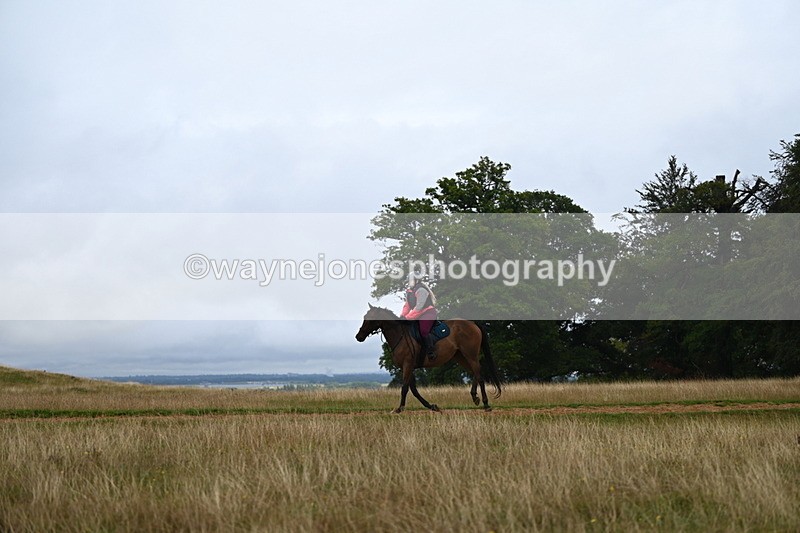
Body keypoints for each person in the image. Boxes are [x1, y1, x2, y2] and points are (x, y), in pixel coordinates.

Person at [399, 273, 438, 359]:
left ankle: (430, 351)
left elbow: (419, 307)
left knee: (423, 331)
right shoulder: (409, 292)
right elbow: (407, 306)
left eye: (411, 280)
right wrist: (402, 316)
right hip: (418, 314)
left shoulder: (421, 290)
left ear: (416, 280)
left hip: (428, 313)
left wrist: (407, 317)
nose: (409, 282)